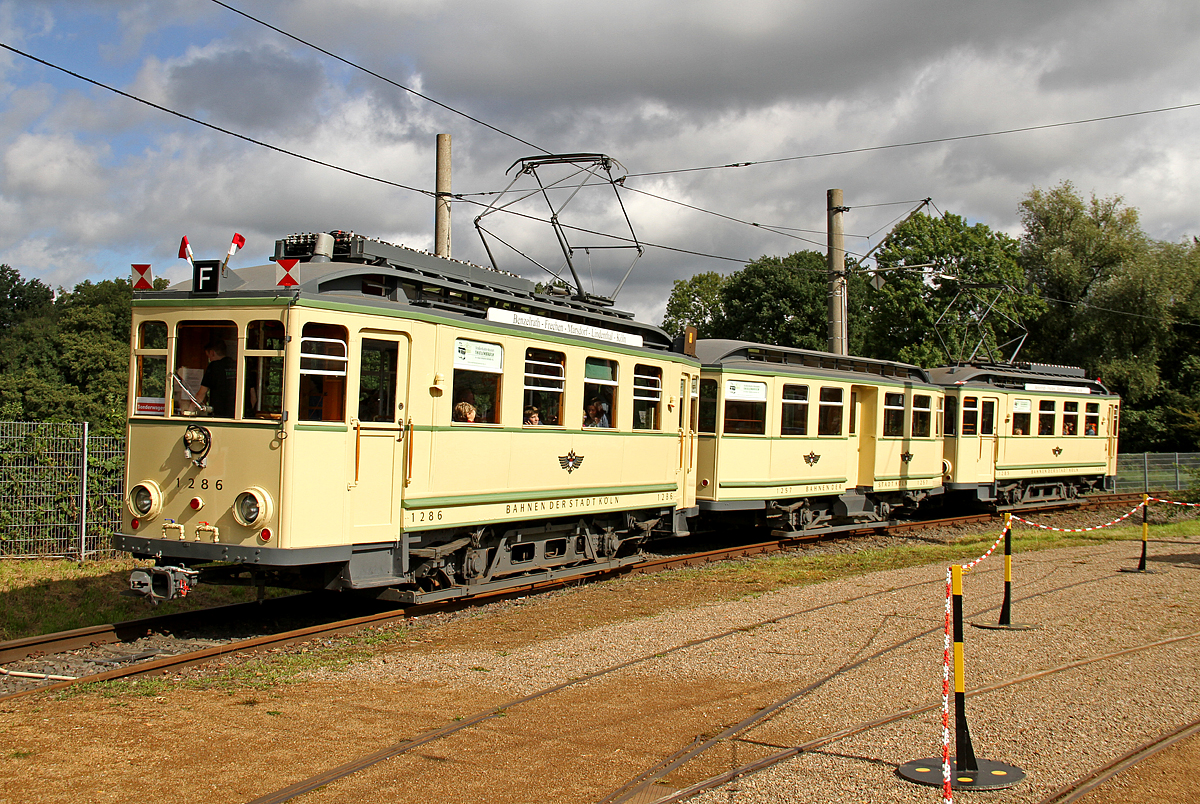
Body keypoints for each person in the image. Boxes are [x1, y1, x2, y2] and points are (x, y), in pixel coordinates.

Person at [196, 339, 235, 418]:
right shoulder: (238, 365)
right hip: (238, 414)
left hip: (219, 414)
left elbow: (202, 393)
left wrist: (190, 409)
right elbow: (253, 397)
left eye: (208, 357)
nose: (210, 360)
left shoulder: (214, 366)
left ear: (212, 353)